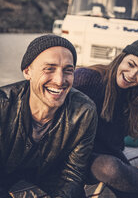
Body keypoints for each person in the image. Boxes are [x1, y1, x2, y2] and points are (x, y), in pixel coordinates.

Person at [0, 34, 98, 198]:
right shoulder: (4, 105)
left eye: (68, 71)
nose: (60, 81)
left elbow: (73, 174)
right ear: (27, 71)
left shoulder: (84, 112)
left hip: (49, 172)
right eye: (49, 69)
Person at [73, 38, 138, 198]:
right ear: (122, 57)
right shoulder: (86, 78)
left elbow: (115, 144)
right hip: (72, 153)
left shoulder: (133, 96)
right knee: (111, 168)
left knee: (132, 188)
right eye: (131, 64)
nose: (132, 75)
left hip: (101, 156)